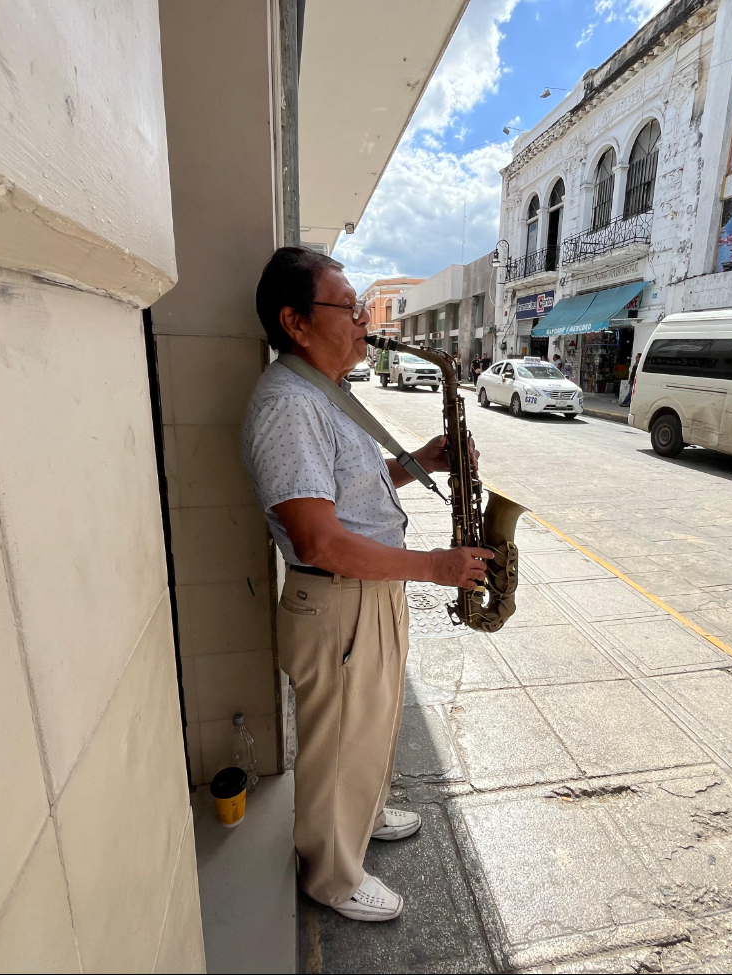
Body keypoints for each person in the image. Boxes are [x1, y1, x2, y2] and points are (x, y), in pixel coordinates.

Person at [242, 247, 492, 922]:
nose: (363, 319)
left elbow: (346, 489)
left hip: (364, 593)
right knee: (339, 742)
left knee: (369, 726)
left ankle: (365, 814)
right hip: (338, 599)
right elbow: (319, 538)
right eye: (348, 306)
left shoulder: (327, 391)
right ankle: (331, 873)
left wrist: (420, 463)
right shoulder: (289, 404)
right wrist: (437, 566)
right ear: (296, 322)